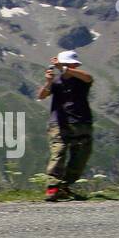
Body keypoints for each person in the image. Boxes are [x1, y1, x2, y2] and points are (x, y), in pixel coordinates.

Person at [36, 50, 94, 201]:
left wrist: (64, 68)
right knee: (59, 153)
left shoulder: (82, 80)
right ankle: (53, 187)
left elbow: (88, 78)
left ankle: (64, 186)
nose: (74, 66)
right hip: (59, 123)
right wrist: (48, 81)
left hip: (81, 122)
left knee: (81, 156)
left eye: (74, 64)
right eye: (71, 64)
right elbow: (41, 95)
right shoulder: (56, 82)